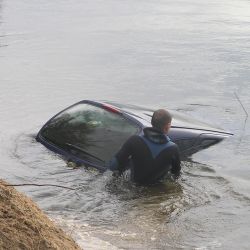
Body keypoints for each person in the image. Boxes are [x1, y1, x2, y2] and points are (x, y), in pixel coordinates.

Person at [108, 109, 181, 185]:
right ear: (167, 126)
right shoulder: (173, 148)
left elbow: (113, 165)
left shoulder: (134, 140)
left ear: (152, 122)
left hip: (133, 188)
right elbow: (176, 175)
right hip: (155, 192)